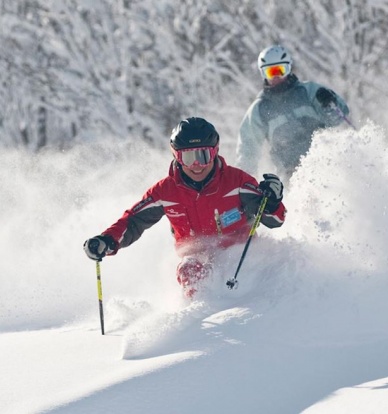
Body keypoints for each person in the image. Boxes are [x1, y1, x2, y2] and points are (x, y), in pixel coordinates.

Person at [83, 117, 287, 298]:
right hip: (196, 257)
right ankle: (201, 318)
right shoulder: (166, 191)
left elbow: (275, 220)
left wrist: (273, 201)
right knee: (190, 270)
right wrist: (107, 240)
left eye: (204, 156)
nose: (197, 165)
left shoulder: (237, 182)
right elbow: (134, 221)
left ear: (215, 152)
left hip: (240, 255)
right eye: (188, 158)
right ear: (176, 157)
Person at [238, 44, 351, 179]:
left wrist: (330, 103)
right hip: (290, 174)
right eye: (270, 72)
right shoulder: (259, 109)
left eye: (280, 70)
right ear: (263, 74)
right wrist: (245, 179)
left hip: (324, 161)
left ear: (289, 68)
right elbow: (248, 148)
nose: (276, 76)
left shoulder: (309, 91)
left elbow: (339, 116)